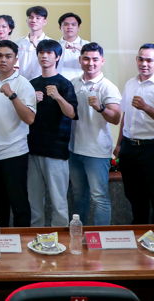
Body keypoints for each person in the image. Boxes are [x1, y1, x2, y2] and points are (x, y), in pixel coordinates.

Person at [115, 44, 154, 225]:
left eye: (149, 60)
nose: (144, 64)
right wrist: (119, 144)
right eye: (141, 59)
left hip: (153, 148)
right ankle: (139, 231)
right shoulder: (130, 83)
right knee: (134, 195)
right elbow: (125, 116)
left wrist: (146, 107)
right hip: (129, 147)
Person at [68, 42, 122, 225]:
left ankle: (100, 236)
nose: (90, 63)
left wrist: (101, 108)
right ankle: (78, 233)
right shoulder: (73, 83)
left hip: (96, 152)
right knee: (78, 196)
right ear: (80, 60)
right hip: (74, 149)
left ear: (102, 61)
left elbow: (116, 118)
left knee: (99, 197)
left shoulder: (107, 86)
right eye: (86, 59)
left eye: (95, 59)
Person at [0, 40, 36, 227]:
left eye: (8, 56)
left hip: (14, 152)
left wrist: (12, 96)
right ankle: (2, 241)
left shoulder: (23, 84)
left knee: (19, 203)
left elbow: (29, 118)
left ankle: (23, 242)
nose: (3, 60)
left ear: (15, 59)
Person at [27, 40, 77, 227]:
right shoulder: (31, 84)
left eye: (49, 53)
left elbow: (72, 113)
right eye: (41, 52)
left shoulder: (64, 84)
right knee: (34, 202)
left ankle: (62, 239)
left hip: (56, 150)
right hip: (32, 149)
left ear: (57, 57)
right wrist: (31, 100)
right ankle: (35, 237)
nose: (44, 56)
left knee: (58, 202)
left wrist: (58, 97)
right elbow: (23, 114)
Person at [17, 6, 51, 80]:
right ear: (27, 20)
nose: (33, 20)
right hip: (21, 82)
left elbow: (51, 62)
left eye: (38, 18)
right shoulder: (18, 43)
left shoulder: (51, 43)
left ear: (45, 22)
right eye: (31, 17)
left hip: (42, 82)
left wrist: (37, 45)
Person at [57, 12, 89, 81]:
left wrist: (80, 48)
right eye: (66, 24)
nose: (70, 27)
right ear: (60, 27)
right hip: (59, 82)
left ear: (78, 27)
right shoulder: (55, 45)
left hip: (81, 82)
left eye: (73, 24)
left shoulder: (87, 45)